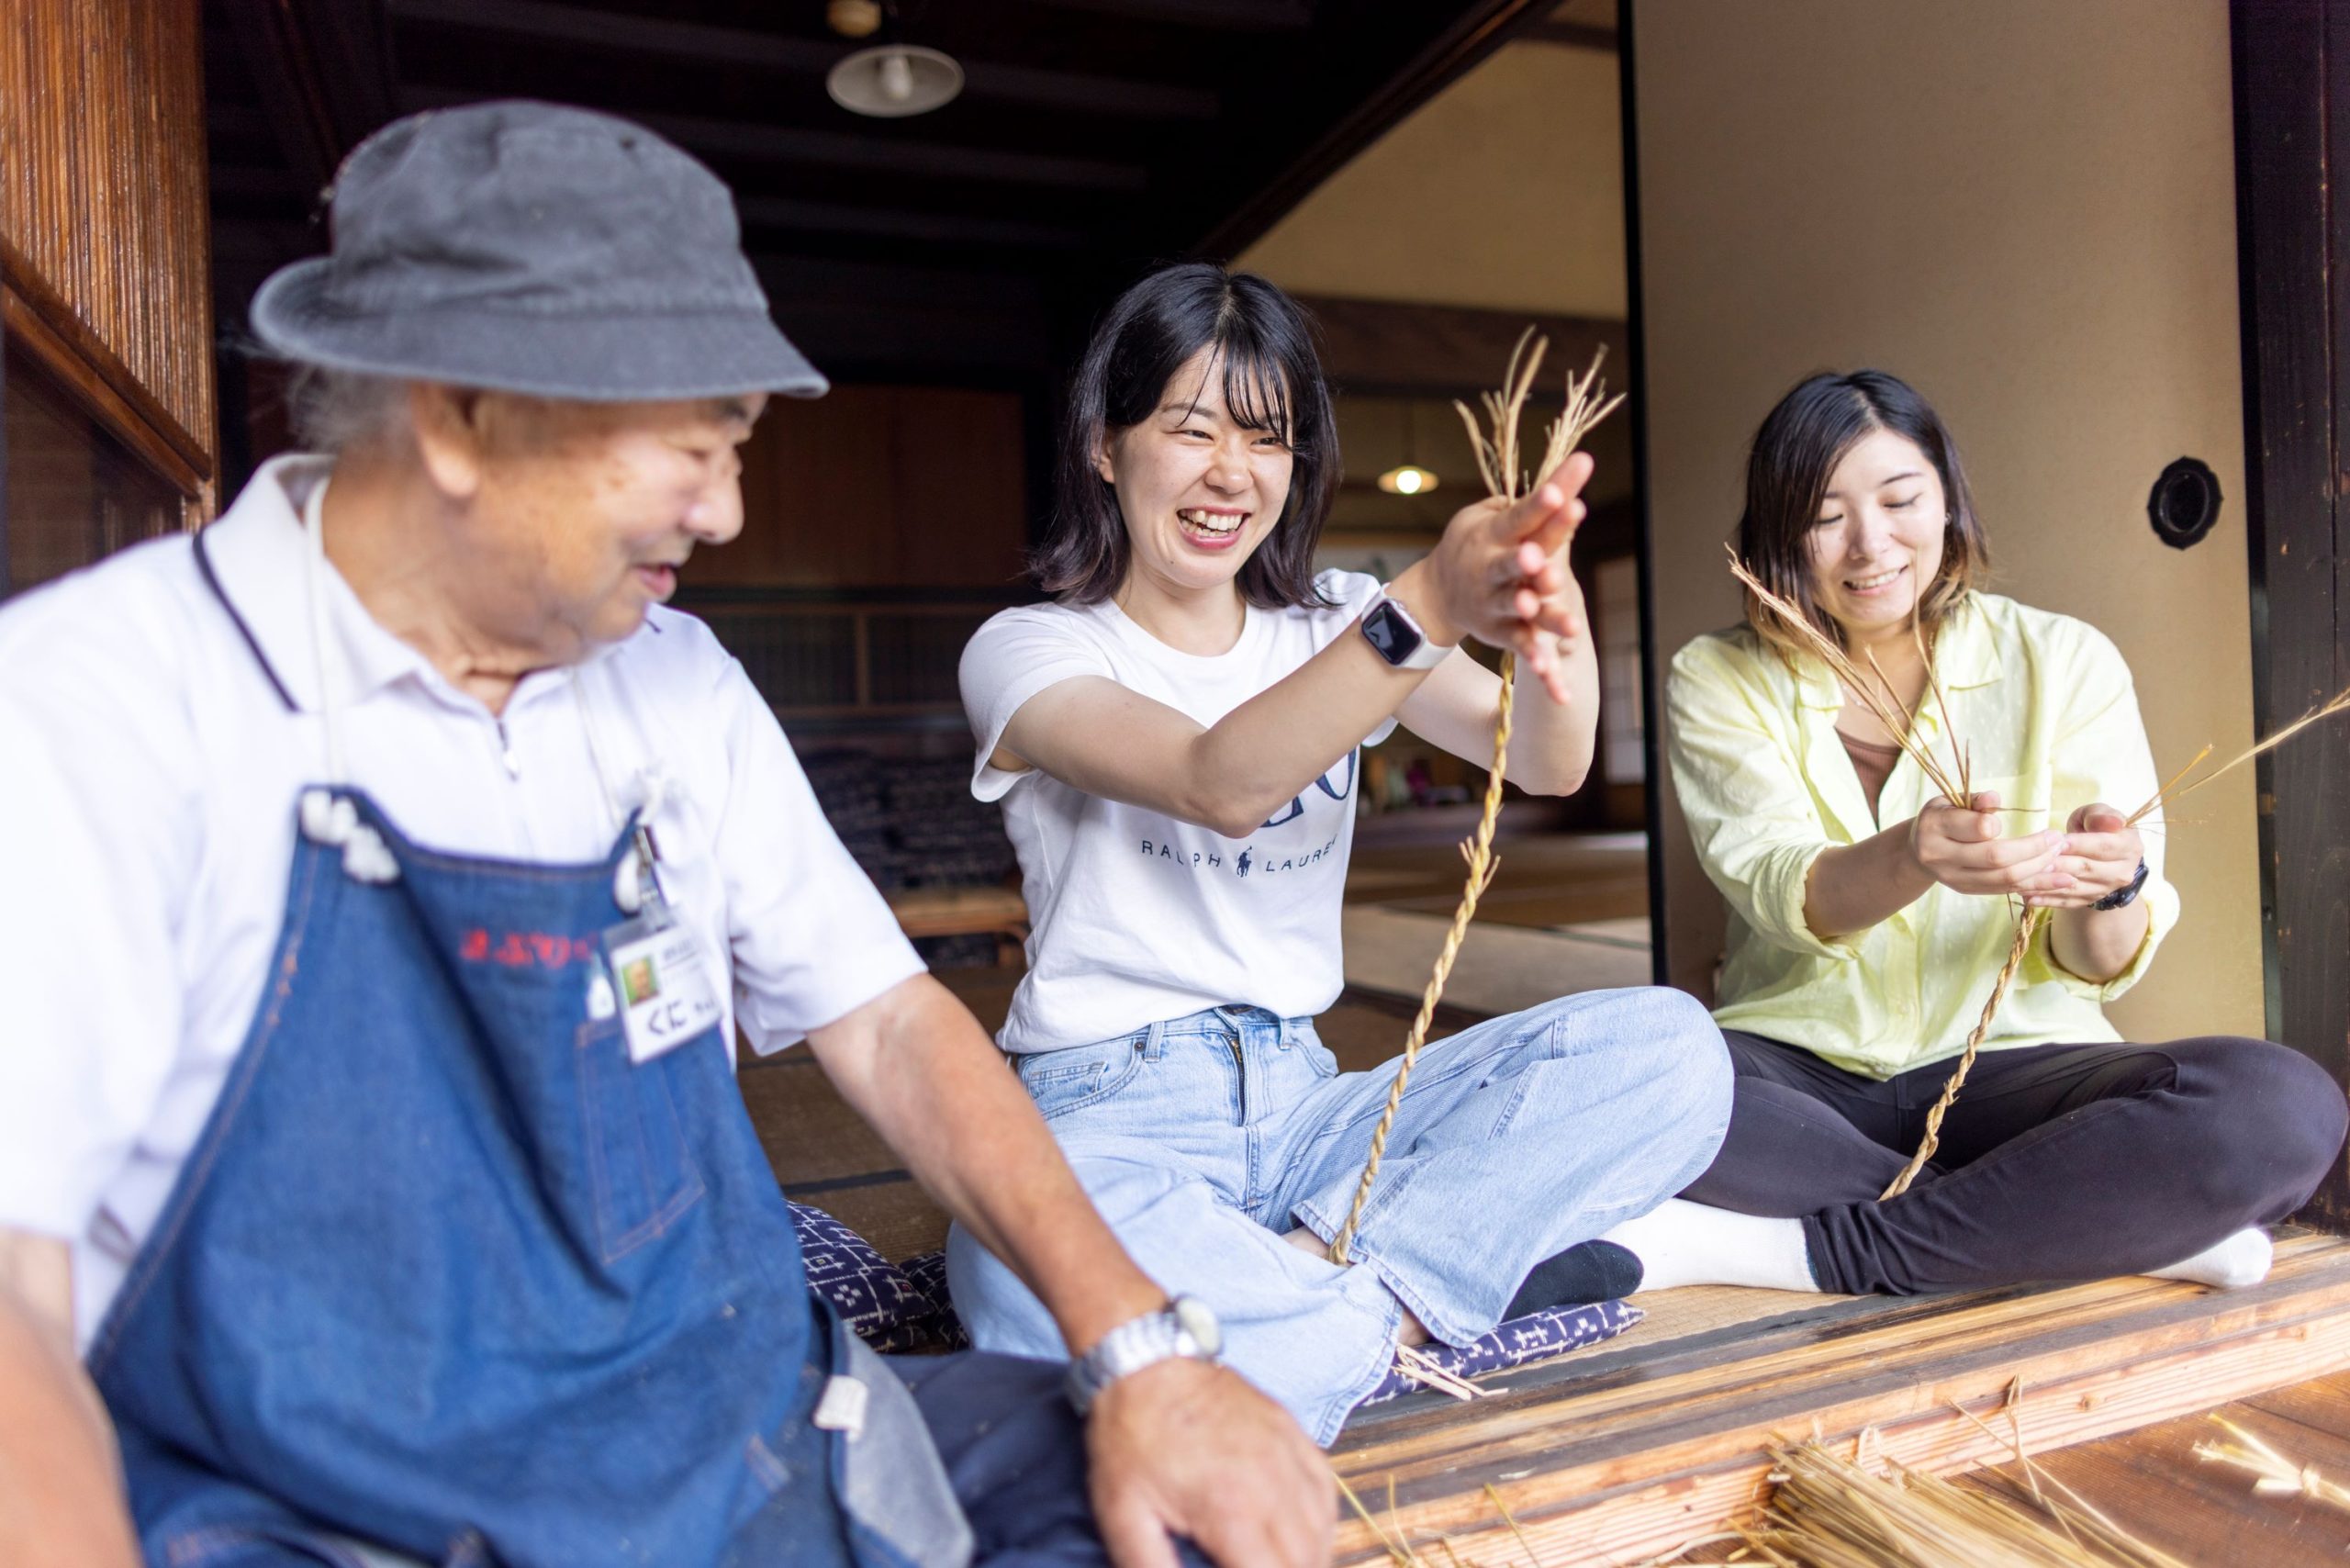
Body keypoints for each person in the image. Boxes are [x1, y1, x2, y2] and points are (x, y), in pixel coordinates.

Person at [0, 104, 1336, 1568]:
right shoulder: (98, 704)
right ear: (457, 415)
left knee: (1182, 1509)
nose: (728, 510)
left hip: (724, 1435)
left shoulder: (675, 683)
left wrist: (1144, 1354)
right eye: (690, 452)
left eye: (740, 444)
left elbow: (890, 1029)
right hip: (343, 1515)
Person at [945, 263, 1732, 1446]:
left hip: (1315, 1109)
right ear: (1105, 446)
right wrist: (1423, 604)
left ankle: (1289, 1302)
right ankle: (1402, 1303)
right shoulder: (1030, 649)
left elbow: (1550, 763)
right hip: (1109, 1117)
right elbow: (1219, 781)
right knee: (1005, 1258)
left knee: (1672, 1051)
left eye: (1267, 439)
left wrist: (1554, 630)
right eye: (1190, 428)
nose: (1231, 474)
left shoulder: (1334, 619)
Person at [1609, 369, 2347, 1300]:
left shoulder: (2060, 659)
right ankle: (2107, 1228)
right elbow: (1777, 888)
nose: (1870, 542)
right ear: (1777, 531)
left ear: (1947, 501)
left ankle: (1799, 1255)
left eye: (1899, 498)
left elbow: (2095, 961)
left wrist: (2109, 886)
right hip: (1797, 1072)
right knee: (1620, 1075)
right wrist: (1912, 853)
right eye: (1825, 513)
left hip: (2012, 1064)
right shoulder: (1717, 673)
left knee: (2281, 1106)